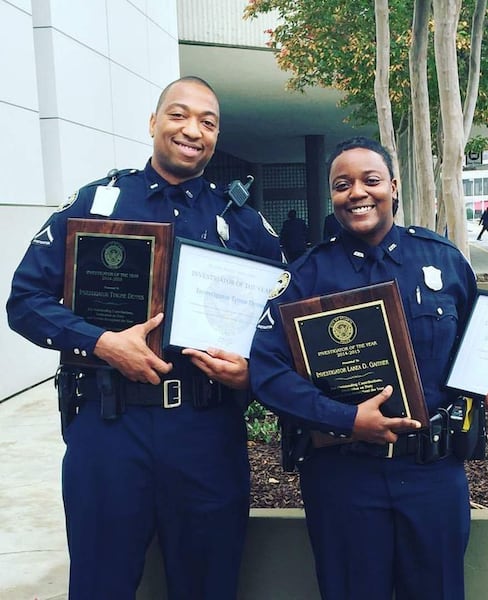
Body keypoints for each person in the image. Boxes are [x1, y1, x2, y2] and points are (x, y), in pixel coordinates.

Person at [6, 76, 282, 599]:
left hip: (205, 434)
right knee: (99, 586)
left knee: (208, 586)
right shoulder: (95, 205)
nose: (192, 130)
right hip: (109, 430)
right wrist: (100, 342)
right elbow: (25, 303)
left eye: (208, 122)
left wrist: (253, 369)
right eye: (179, 115)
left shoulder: (240, 222)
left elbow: (281, 322)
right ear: (153, 122)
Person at [249, 136, 488, 600]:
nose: (357, 192)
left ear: (393, 186)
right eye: (342, 184)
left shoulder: (443, 261)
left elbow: (482, 349)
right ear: (332, 196)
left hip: (432, 475)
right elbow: (267, 373)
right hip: (343, 478)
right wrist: (347, 420)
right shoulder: (305, 278)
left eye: (370, 180)